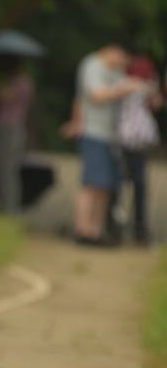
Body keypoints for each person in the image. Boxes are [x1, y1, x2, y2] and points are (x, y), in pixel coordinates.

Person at [66, 43, 145, 246]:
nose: (122, 63)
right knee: (91, 183)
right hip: (93, 132)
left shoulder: (115, 71)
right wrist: (126, 87)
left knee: (105, 185)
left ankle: (96, 231)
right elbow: (96, 95)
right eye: (122, 58)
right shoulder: (92, 65)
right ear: (114, 51)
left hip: (110, 135)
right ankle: (82, 230)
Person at [115, 54, 162, 245]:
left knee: (131, 183)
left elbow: (154, 104)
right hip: (129, 138)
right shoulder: (133, 84)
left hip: (132, 139)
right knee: (134, 183)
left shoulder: (128, 83)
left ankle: (133, 226)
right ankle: (133, 227)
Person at [0, 56, 35, 214]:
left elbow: (4, 97)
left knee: (7, 169)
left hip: (10, 128)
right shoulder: (24, 82)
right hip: (15, 128)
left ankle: (9, 208)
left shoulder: (20, 83)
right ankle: (8, 206)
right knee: (9, 169)